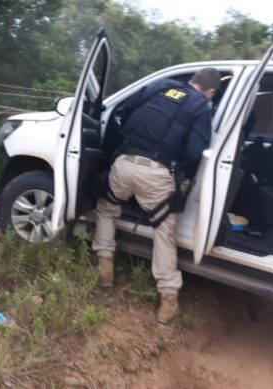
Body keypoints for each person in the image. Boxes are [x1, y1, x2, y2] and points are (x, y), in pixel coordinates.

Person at [92, 68, 220, 324]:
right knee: (163, 231)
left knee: (106, 208)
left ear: (192, 80)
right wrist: (180, 174)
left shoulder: (160, 86)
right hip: (157, 174)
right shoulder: (201, 108)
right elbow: (196, 152)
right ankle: (168, 301)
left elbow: (124, 113)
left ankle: (104, 269)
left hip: (124, 164)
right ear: (212, 91)